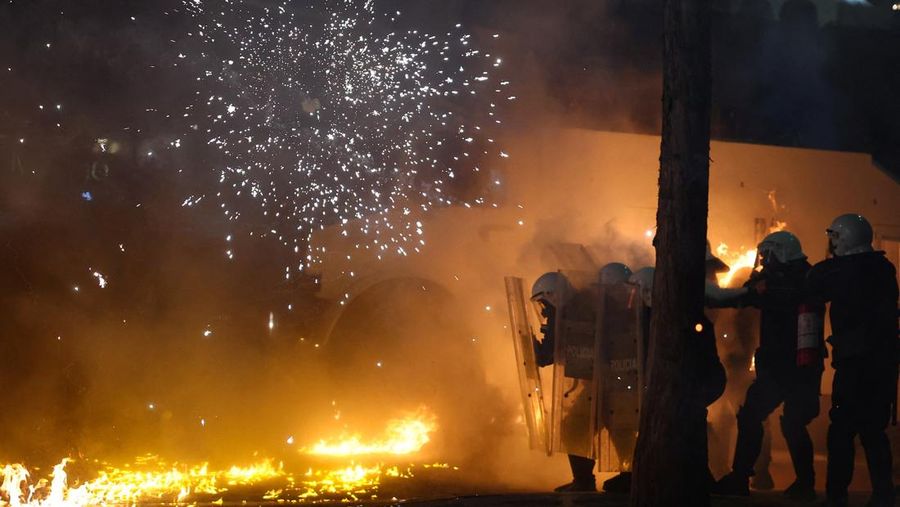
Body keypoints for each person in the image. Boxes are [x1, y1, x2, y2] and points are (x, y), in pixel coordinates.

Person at [709, 231, 824, 502]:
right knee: (793, 423)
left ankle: (740, 479)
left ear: (779, 253)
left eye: (768, 254)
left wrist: (750, 288)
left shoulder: (776, 284)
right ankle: (804, 484)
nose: (764, 260)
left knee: (752, 416)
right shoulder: (808, 277)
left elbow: (746, 298)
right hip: (804, 365)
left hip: (781, 365)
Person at [806, 214, 898, 507]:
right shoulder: (882, 267)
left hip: (856, 363)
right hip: (881, 364)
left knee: (842, 430)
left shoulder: (844, 272)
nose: (831, 243)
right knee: (873, 431)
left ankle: (837, 495)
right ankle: (883, 494)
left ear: (847, 238)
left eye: (835, 237)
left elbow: (814, 285)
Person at [531, 263, 633, 492]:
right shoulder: (584, 306)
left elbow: (549, 354)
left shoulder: (572, 312)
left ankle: (594, 480)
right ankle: (628, 476)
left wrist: (536, 350)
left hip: (606, 380)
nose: (544, 310)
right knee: (616, 427)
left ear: (553, 296)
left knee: (578, 427)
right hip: (610, 378)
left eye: (544, 303)